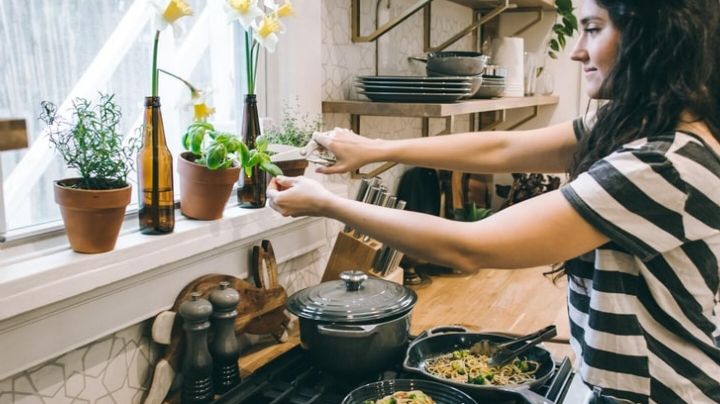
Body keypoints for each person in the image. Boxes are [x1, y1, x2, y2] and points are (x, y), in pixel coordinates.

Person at [267, 0, 720, 402]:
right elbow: (500, 149)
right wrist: (378, 149)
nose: (577, 49)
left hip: (656, 390)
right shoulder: (639, 126)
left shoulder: (661, 163)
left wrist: (327, 204)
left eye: (594, 28)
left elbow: (470, 245)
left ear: (652, 35)